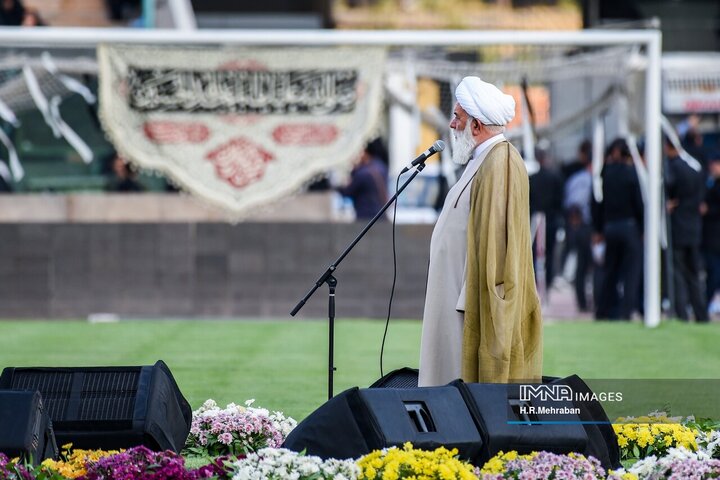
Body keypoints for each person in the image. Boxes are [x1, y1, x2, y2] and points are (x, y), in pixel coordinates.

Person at [418, 76, 542, 387]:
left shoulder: (501, 163)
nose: (451, 124)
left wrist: (485, 315)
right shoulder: (484, 160)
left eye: (457, 117)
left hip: (468, 308)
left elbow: (501, 253)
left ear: (476, 126)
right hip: (455, 302)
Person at [593, 138, 644, 320]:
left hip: (609, 227)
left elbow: (599, 202)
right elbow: (638, 201)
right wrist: (643, 226)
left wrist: (598, 229)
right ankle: (626, 311)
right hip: (629, 227)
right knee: (632, 271)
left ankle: (603, 310)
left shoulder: (605, 173)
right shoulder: (631, 173)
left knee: (610, 271)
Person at [665, 137, 708, 322]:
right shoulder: (695, 166)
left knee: (677, 273)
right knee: (694, 274)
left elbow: (669, 191)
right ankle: (701, 314)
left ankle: (681, 313)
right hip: (694, 228)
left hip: (677, 227)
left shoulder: (672, 168)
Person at [562, 140, 594, 312]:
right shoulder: (585, 180)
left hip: (584, 226)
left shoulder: (577, 179)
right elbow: (574, 204)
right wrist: (576, 222)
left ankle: (585, 301)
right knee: (586, 265)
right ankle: (584, 302)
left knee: (585, 265)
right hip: (586, 226)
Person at [336, 138, 388, 219]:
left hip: (365, 216)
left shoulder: (362, 173)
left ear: (365, 152)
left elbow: (347, 192)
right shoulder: (381, 166)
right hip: (381, 214)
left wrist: (353, 168)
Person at [702, 152, 720, 317]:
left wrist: (708, 210)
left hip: (715, 237)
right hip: (711, 237)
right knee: (712, 272)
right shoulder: (710, 182)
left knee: (715, 272)